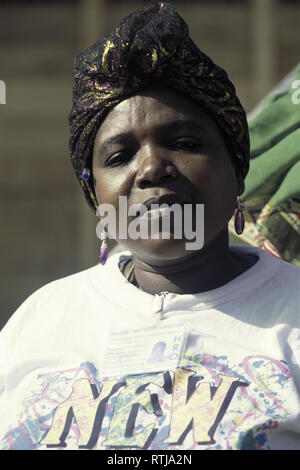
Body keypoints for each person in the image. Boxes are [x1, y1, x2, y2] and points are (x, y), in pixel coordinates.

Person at [1, 2, 300, 451]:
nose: (151, 168)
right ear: (95, 192)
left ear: (237, 170)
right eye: (119, 157)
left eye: (183, 143)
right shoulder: (41, 321)